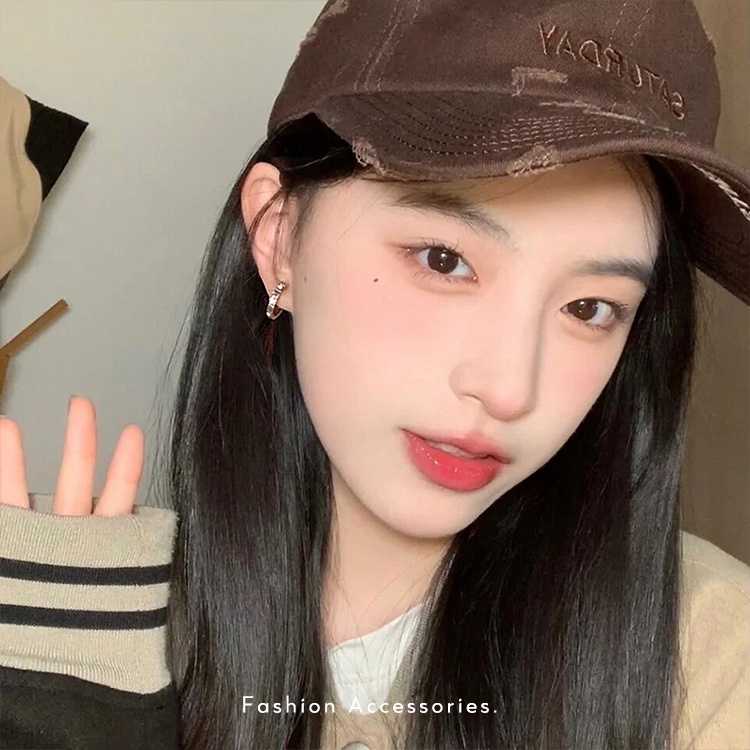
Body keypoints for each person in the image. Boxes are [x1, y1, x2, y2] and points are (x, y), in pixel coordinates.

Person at [1, 0, 749, 748]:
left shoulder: (717, 656)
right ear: (279, 234)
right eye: (444, 260)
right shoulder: (69, 626)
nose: (508, 389)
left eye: (590, 308)